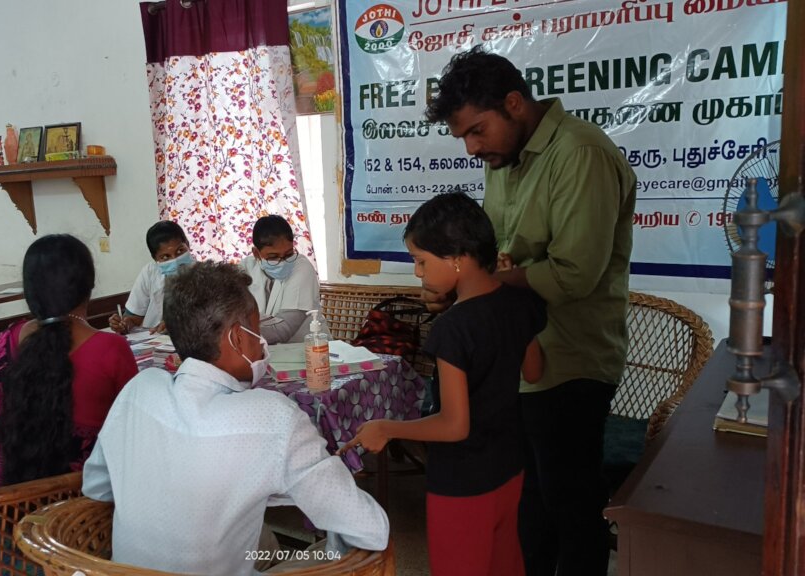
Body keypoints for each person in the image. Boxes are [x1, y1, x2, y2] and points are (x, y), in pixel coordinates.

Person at [425, 46, 637, 576]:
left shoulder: (581, 153)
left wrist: (483, 283)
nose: (473, 148)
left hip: (571, 361)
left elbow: (574, 274)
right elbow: (496, 251)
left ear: (514, 103)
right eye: (464, 137)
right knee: (528, 506)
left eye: (478, 131)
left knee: (571, 505)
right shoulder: (504, 157)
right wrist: (459, 286)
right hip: (517, 356)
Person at [83, 261, 389, 575]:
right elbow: (370, 529)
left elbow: (96, 487)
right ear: (237, 339)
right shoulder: (275, 417)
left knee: (259, 538)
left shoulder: (138, 389)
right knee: (340, 547)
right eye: (257, 333)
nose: (262, 345)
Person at [340, 192, 545, 576]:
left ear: (457, 258)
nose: (418, 273)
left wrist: (386, 428)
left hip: (463, 482)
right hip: (510, 468)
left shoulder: (452, 328)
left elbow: (454, 425)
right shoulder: (519, 301)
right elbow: (535, 372)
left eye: (421, 260)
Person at [0, 234, 138, 489]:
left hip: (10, 497)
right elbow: (136, 431)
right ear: (90, 284)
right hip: (84, 503)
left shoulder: (9, 339)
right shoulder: (111, 349)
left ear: (30, 290)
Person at [241, 215, 325, 344]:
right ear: (256, 253)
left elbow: (283, 329)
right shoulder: (246, 267)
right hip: (269, 349)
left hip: (308, 347)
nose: (282, 262)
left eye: (288, 254)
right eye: (273, 257)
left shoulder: (302, 267)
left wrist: (237, 336)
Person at [109, 220, 193, 334]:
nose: (175, 260)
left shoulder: (206, 275)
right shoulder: (150, 272)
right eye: (165, 257)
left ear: (188, 244)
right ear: (155, 258)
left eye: (180, 251)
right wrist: (123, 324)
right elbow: (134, 317)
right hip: (154, 338)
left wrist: (177, 326)